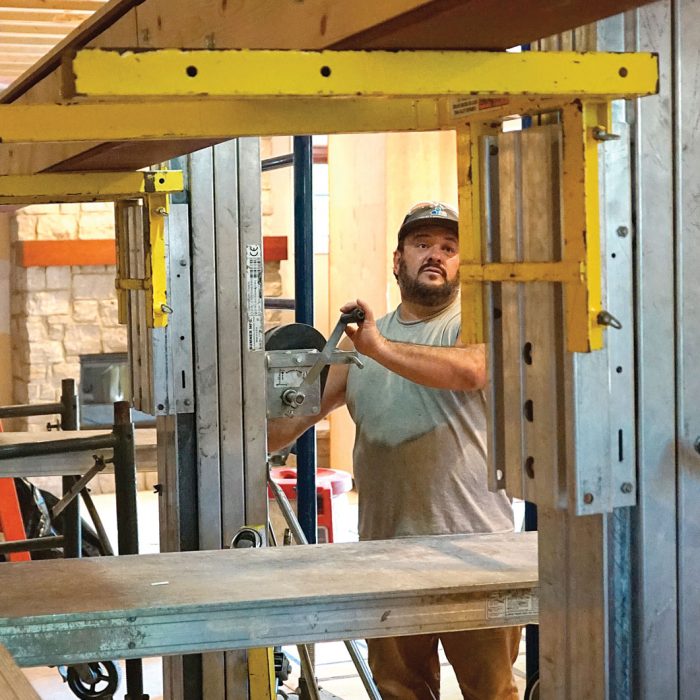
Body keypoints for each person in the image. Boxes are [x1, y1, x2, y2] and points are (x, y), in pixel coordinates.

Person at [268, 201, 520, 699]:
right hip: (388, 556)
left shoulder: (472, 325)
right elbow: (287, 425)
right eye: (422, 244)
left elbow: (472, 370)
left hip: (476, 554)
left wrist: (378, 348)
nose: (436, 255)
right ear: (397, 259)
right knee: (400, 691)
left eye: (449, 248)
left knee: (490, 692)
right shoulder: (362, 346)